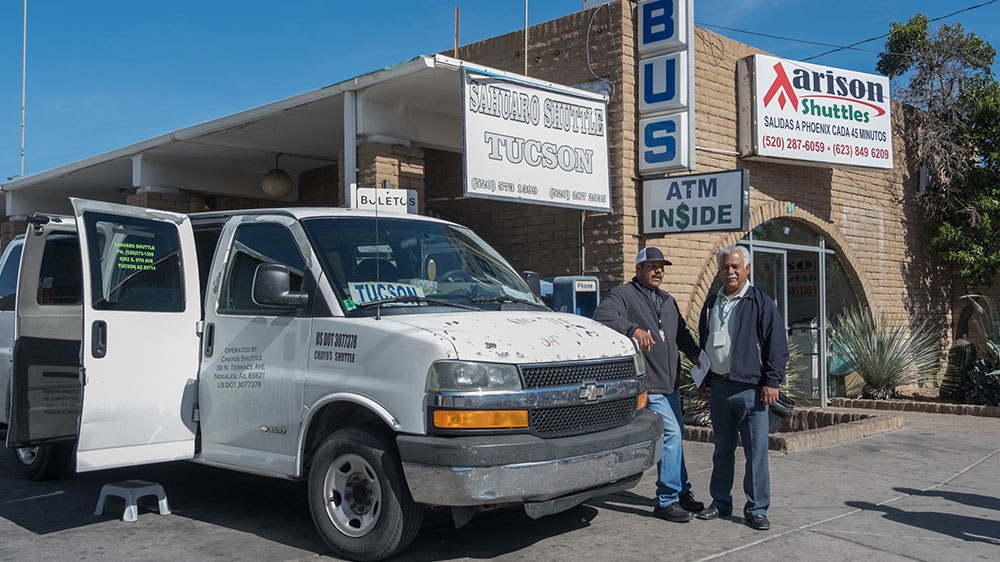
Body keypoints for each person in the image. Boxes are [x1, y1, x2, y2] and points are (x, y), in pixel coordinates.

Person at [593, 247, 704, 522]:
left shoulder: (667, 300)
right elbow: (601, 315)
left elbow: (680, 333)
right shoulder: (624, 295)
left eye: (662, 267)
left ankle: (682, 492)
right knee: (671, 436)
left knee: (677, 436)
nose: (658, 271)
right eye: (652, 266)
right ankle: (666, 499)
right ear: (638, 269)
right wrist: (633, 330)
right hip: (651, 384)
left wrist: (694, 355)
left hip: (672, 385)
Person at [696, 245, 788, 531]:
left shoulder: (760, 302)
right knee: (722, 450)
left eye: (736, 266)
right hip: (720, 389)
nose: (731, 271)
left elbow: (777, 346)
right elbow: (705, 342)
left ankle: (757, 508)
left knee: (755, 453)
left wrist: (771, 382)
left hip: (751, 390)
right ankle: (721, 502)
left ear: (747, 269)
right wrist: (705, 379)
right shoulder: (712, 303)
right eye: (726, 267)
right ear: (720, 270)